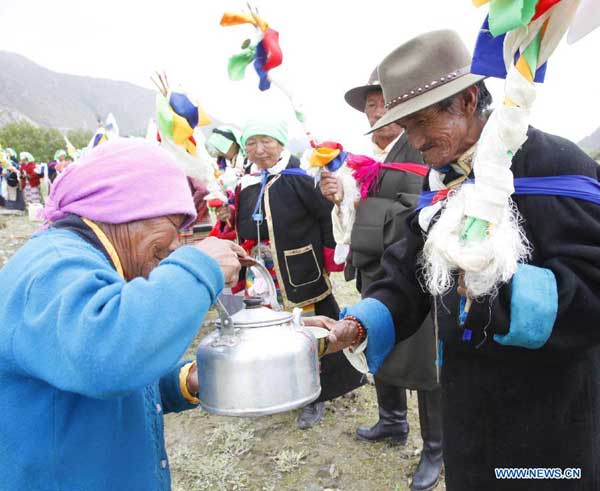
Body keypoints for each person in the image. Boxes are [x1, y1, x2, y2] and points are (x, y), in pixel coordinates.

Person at [306, 30, 600, 490]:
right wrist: (361, 323)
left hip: (550, 415)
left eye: (422, 122)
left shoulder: (556, 165)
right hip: (469, 411)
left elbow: (593, 285)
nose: (416, 141)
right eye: (407, 127)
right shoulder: (441, 180)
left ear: (465, 101)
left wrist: (502, 290)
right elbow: (407, 269)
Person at [0, 138, 245, 490]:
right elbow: (108, 356)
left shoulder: (92, 262)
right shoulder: (53, 268)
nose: (177, 243)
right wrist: (200, 267)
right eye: (173, 224)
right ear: (126, 210)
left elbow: (108, 385)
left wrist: (186, 382)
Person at [319, 67, 442, 491]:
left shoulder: (423, 147)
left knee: (424, 362)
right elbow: (353, 219)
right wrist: (341, 201)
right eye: (370, 105)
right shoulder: (363, 157)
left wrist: (364, 212)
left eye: (382, 103)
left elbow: (423, 209)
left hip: (416, 273)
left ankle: (436, 449)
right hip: (374, 269)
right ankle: (392, 421)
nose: (375, 112)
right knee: (376, 341)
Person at [234, 120, 365, 429]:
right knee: (270, 329)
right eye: (251, 143)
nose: (259, 149)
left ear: (281, 144)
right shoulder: (247, 182)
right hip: (262, 273)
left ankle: (316, 394)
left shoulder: (300, 176)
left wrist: (332, 255)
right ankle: (282, 385)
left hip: (299, 269)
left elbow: (325, 217)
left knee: (309, 331)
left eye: (266, 140)